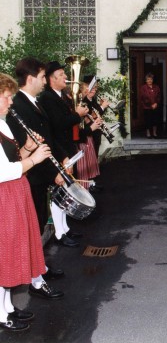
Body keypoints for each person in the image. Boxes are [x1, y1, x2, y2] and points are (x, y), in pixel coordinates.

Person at [0, 73, 57, 331]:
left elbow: (13, 159)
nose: (10, 102)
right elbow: (3, 171)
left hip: (15, 190)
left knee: (11, 251)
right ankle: (1, 315)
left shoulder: (2, 124)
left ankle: (8, 308)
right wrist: (33, 161)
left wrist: (31, 149)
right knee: (5, 253)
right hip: (5, 193)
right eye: (6, 97)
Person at [38, 61, 89, 247]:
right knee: (59, 192)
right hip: (59, 150)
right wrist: (77, 115)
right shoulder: (47, 98)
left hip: (66, 148)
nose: (66, 78)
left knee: (66, 191)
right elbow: (58, 125)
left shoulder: (61, 97)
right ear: (52, 79)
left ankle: (65, 228)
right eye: (61, 75)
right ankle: (59, 234)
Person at [82, 75, 110, 156]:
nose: (95, 90)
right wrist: (102, 107)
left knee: (95, 154)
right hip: (90, 134)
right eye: (93, 87)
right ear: (87, 87)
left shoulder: (93, 99)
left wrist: (102, 106)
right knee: (91, 156)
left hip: (96, 132)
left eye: (96, 88)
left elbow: (98, 114)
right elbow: (90, 116)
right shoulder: (84, 100)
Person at [140, 73, 161, 138]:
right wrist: (150, 104)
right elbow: (143, 97)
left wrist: (156, 103)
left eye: (151, 79)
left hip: (155, 106)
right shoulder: (143, 87)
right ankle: (148, 133)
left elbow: (159, 96)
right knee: (148, 120)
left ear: (153, 80)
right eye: (148, 79)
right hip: (147, 107)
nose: (149, 81)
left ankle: (154, 133)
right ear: (146, 80)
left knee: (155, 120)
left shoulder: (156, 87)